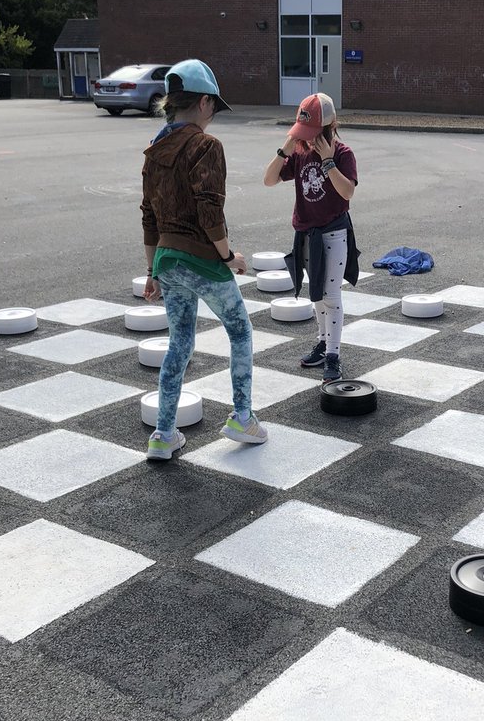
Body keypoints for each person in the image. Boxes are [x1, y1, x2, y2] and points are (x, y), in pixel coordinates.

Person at [141, 59, 267, 461]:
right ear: (203, 103)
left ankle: (163, 434)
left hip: (167, 261)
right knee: (240, 331)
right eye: (213, 105)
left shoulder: (155, 149)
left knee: (180, 342)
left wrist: (151, 271)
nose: (213, 114)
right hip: (201, 259)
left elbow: (149, 215)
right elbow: (209, 211)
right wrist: (229, 256)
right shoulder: (206, 146)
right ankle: (242, 416)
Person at [263, 93, 359, 382]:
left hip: (334, 233)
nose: (307, 140)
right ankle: (322, 340)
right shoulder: (300, 152)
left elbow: (348, 192)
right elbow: (268, 179)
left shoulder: (343, 153)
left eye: (312, 133)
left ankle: (333, 354)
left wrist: (328, 162)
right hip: (306, 233)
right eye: (302, 133)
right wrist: (286, 147)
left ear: (330, 127)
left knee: (330, 295)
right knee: (316, 293)